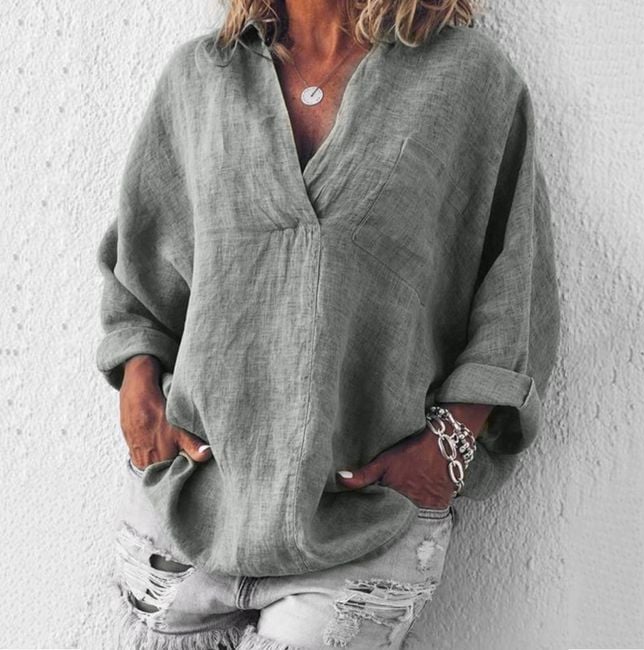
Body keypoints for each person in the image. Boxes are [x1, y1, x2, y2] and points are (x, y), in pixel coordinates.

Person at [95, 0, 561, 647]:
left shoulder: (466, 79)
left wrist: (448, 446)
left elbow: (516, 280)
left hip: (364, 531)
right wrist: (139, 393)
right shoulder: (200, 78)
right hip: (180, 522)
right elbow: (140, 277)